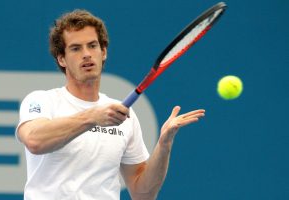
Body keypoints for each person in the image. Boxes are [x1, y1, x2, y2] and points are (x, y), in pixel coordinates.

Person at [16, 9, 205, 200]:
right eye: (76, 48)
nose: (87, 54)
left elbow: (143, 193)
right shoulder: (41, 100)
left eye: (92, 46)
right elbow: (35, 141)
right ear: (61, 59)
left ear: (103, 52)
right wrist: (92, 117)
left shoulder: (124, 117)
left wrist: (164, 144)